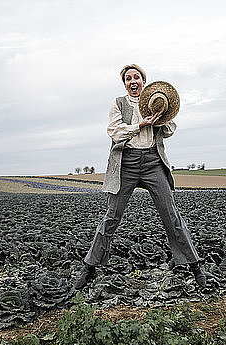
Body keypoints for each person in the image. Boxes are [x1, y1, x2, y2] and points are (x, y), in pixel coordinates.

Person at [74, 64, 206, 290]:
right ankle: (89, 268)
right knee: (111, 217)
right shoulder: (118, 104)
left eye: (137, 78)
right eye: (128, 78)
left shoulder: (156, 101)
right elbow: (114, 132)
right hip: (127, 163)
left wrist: (160, 118)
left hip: (154, 162)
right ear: (124, 83)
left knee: (172, 216)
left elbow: (171, 128)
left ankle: (195, 268)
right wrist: (140, 125)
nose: (133, 81)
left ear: (143, 81)